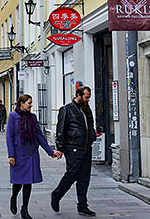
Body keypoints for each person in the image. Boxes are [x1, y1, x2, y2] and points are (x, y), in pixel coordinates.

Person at [7, 94, 62, 219]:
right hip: (18, 154)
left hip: (31, 153)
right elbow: (9, 137)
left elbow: (39, 136)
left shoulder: (33, 117)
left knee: (28, 183)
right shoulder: (13, 116)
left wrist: (50, 152)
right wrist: (11, 155)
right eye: (29, 103)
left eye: (31, 103)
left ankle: (24, 209)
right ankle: (14, 198)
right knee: (18, 182)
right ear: (21, 103)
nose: (31, 105)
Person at [51, 86, 97, 217]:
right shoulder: (67, 109)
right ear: (78, 95)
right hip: (73, 148)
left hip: (86, 148)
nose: (88, 100)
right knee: (72, 174)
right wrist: (59, 148)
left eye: (89, 97)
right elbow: (60, 130)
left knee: (84, 178)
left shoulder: (87, 110)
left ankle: (82, 206)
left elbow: (90, 126)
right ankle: (57, 194)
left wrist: (92, 136)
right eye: (86, 97)